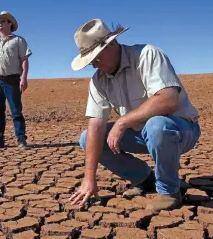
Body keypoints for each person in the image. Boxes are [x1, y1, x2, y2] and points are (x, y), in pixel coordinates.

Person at [68, 19, 201, 213]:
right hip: (142, 135)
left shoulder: (147, 55)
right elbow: (95, 124)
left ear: (112, 44)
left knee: (157, 126)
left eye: (96, 58)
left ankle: (169, 191)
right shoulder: (99, 81)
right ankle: (144, 178)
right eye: (90, 61)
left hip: (180, 130)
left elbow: (168, 99)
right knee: (87, 138)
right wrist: (89, 179)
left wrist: (122, 122)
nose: (94, 65)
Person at [0, 11, 32, 150]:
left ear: (10, 23)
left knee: (16, 111)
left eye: (3, 20)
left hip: (12, 80)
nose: (0, 23)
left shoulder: (18, 41)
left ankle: (21, 140)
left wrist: (24, 77)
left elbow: (24, 59)